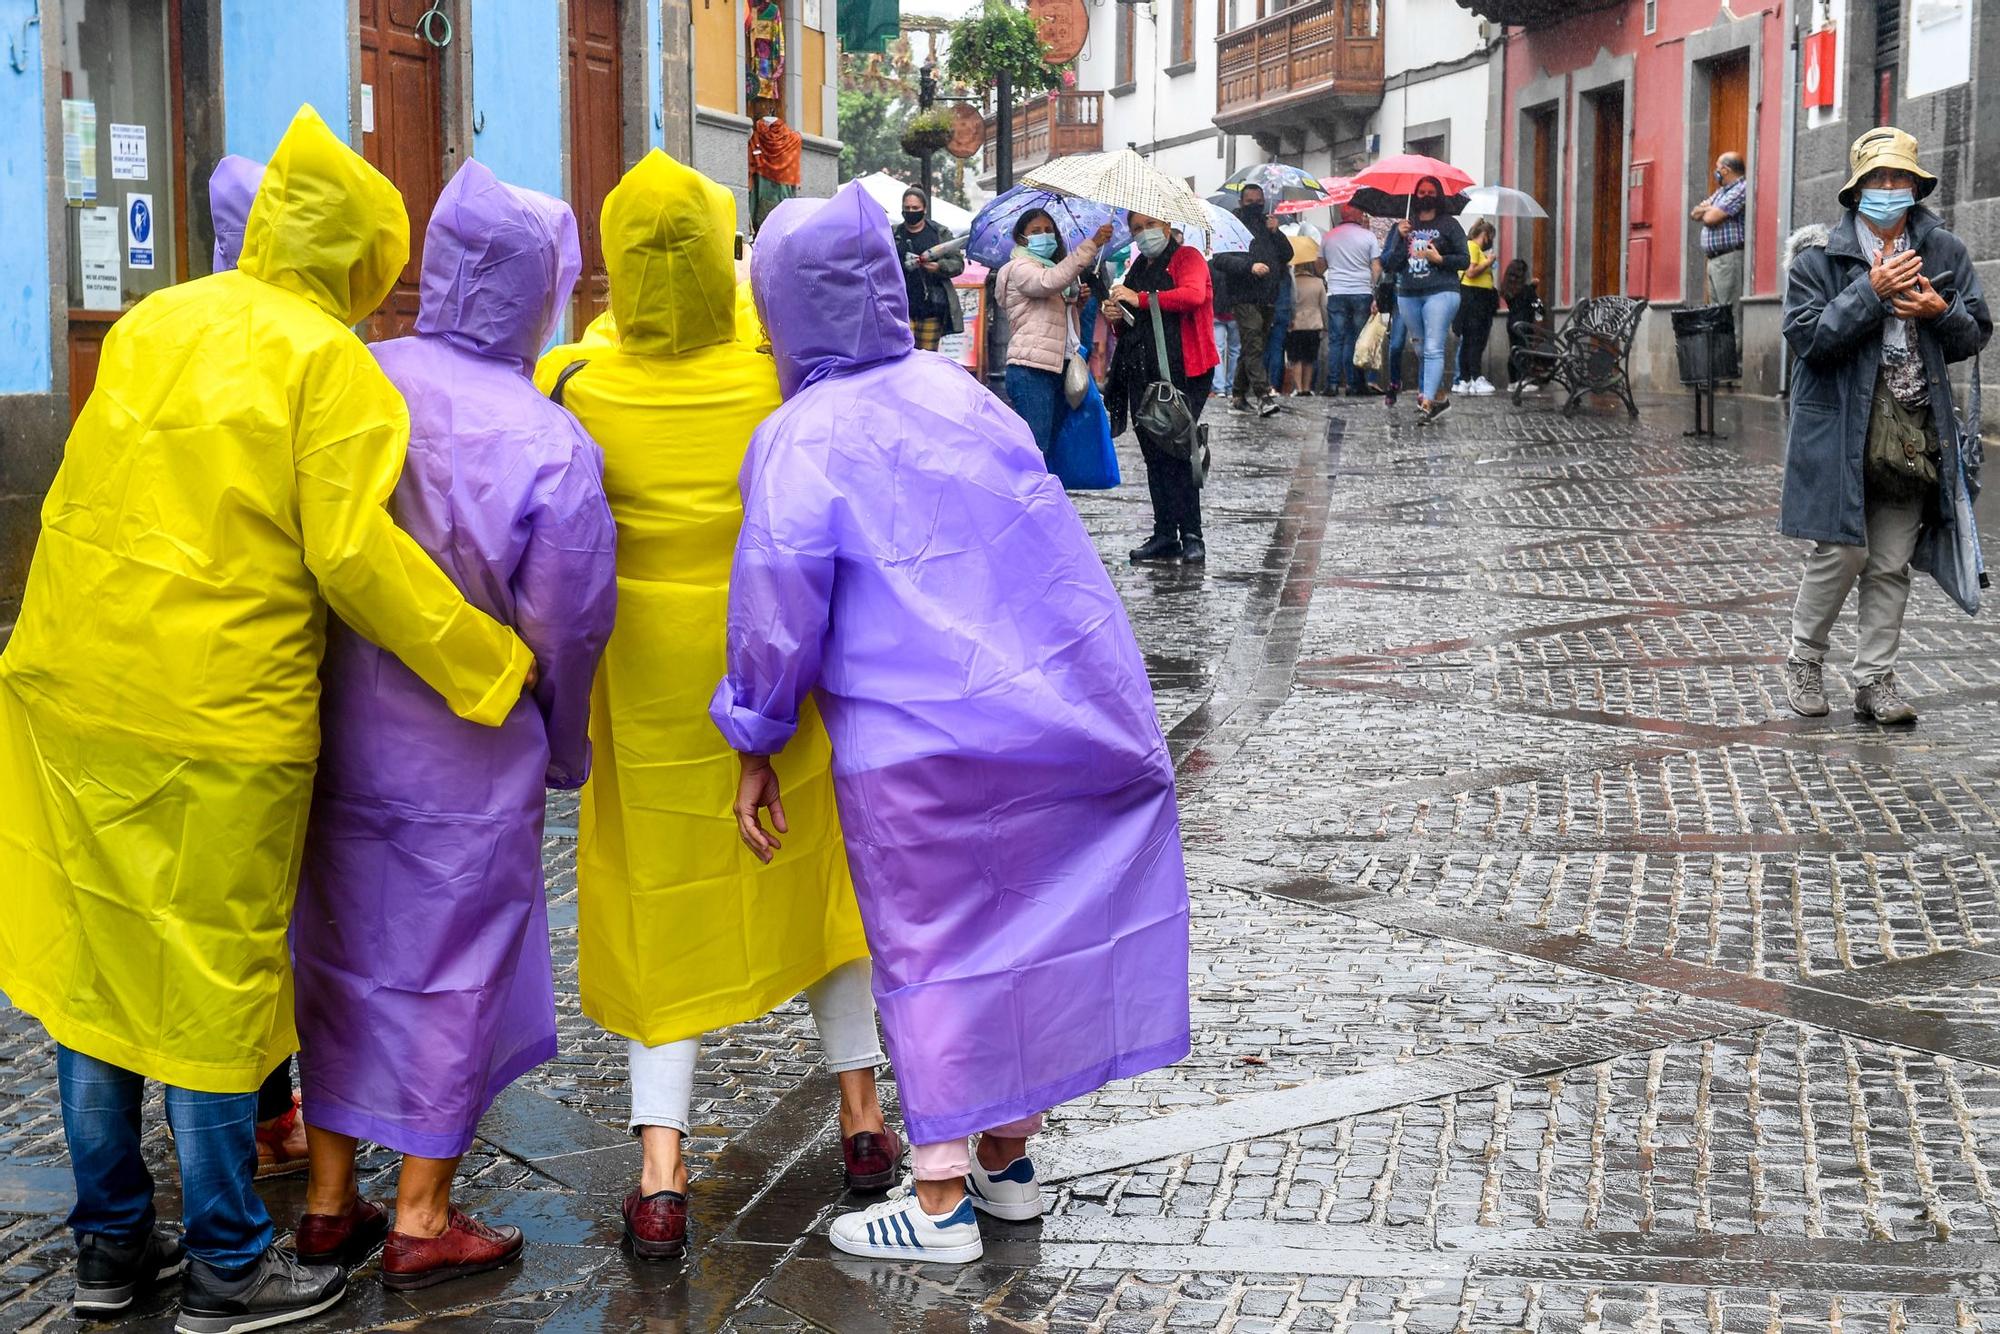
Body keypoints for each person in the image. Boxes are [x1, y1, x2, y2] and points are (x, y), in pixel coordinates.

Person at [0, 104, 536, 1333]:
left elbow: (83, 492)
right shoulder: (325, 362)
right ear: (361, 256)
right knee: (212, 988)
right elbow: (356, 558)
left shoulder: (154, 320)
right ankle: (231, 1263)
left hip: (77, 689)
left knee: (99, 987)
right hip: (219, 713)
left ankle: (110, 1248)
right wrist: (486, 663)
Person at [712, 181, 1191, 1266]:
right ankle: (1005, 1162)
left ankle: (933, 1202)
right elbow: (1049, 545)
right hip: (1046, 713)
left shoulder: (797, 436)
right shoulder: (960, 391)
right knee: (1027, 936)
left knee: (929, 952)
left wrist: (754, 738)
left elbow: (774, 613)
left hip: (911, 748)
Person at [531, 151, 890, 1265]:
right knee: (819, 883)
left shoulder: (577, 384)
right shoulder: (772, 376)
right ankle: (864, 1117)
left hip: (640, 687)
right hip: (775, 666)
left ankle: (658, 1171)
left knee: (659, 908)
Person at [289, 160, 617, 1290]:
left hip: (328, 730)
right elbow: (566, 624)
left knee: (330, 950)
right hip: (468, 754)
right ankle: (422, 1209)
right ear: (540, 291)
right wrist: (563, 743)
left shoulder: (355, 376)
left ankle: (330, 1198)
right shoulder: (549, 441)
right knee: (454, 968)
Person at [1779, 126, 1992, 725]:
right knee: (1842, 552)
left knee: (1891, 560)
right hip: (1843, 425)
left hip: (1914, 428)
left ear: (1916, 186)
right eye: (1878, 179)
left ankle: (1874, 680)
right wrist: (1870, 292)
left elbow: (1975, 331)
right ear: (1857, 190)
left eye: (1901, 178)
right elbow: (1808, 340)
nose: (1889, 189)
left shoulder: (1943, 250)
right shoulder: (1818, 257)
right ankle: (1804, 658)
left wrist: (1940, 312)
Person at [204, 152, 315, 1183]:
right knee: (252, 924)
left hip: (166, 670)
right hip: (260, 683)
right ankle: (267, 1122)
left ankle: (270, 1111)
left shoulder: (172, 329)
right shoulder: (312, 351)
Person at [1110, 209, 1221, 565]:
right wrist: (1117, 315)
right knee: (1154, 455)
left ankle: (1192, 534)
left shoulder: (1187, 257)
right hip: (1143, 370)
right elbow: (1135, 320)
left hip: (1183, 370)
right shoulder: (1139, 265)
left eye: (1150, 225)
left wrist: (1139, 299)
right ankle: (1164, 533)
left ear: (1168, 226)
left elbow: (1192, 296)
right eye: (1137, 228)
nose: (1144, 233)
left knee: (1178, 450)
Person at [996, 208, 1114, 454]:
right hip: (1032, 370)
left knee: (1050, 447)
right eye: (1036, 231)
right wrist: (1090, 245)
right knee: (1036, 450)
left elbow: (1051, 321)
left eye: (1049, 230)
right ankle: (1032, 493)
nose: (1045, 235)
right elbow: (1048, 282)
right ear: (1022, 238)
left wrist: (1075, 305)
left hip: (1056, 366)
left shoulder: (1048, 268)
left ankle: (1046, 493)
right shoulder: (1021, 267)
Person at [1380, 177, 1470, 423]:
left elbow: (1464, 259)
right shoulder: (1403, 226)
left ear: (1438, 196)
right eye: (1421, 191)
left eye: (1431, 191)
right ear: (1414, 195)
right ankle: (1440, 398)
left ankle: (1427, 402)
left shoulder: (1449, 225)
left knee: (1433, 347)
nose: (1425, 195)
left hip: (1441, 291)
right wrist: (1398, 237)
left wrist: (1440, 259)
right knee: (1420, 347)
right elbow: (1389, 264)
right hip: (1408, 294)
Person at [1215, 184, 1291, 416]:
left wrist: (1276, 233)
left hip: (1267, 296)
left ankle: (1238, 395)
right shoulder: (1230, 227)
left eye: (1259, 201)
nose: (1255, 205)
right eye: (1250, 201)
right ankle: (1263, 395)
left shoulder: (1268, 225)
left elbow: (1287, 255)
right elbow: (1220, 260)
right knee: (1253, 343)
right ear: (1241, 202)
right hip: (1243, 295)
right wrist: (1250, 267)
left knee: (1253, 346)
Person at [892, 186, 964, 351]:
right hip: (901, 306)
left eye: (915, 208)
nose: (911, 211)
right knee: (902, 353)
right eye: (907, 208)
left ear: (924, 209)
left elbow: (958, 264)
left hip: (932, 306)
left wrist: (939, 266)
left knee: (926, 356)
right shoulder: (894, 234)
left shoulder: (939, 233)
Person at [1321, 204, 1378, 396]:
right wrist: (1374, 289)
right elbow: (1376, 267)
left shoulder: (1328, 236)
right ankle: (1354, 384)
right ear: (1357, 214)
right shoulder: (1368, 236)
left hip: (1336, 292)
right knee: (1356, 339)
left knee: (1336, 339)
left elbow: (1319, 266)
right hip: (1362, 291)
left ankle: (1332, 383)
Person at [1693, 150, 1749, 346]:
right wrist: (1714, 207)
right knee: (1717, 312)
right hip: (1714, 260)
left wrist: (1712, 209)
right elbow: (1695, 213)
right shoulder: (1722, 192)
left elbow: (1709, 218)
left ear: (1725, 170)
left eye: (1717, 169)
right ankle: (1721, 361)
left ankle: (1734, 363)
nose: (1715, 173)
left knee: (1729, 311)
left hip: (1729, 259)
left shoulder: (1741, 188)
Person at [1453, 218, 1500, 395]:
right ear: (1485, 235)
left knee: (1471, 339)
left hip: (1477, 297)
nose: (1491, 241)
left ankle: (1465, 378)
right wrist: (1488, 262)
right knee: (1475, 338)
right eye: (1491, 236)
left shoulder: (1473, 248)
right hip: (1474, 298)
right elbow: (1471, 272)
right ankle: (1474, 376)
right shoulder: (1472, 247)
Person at [1500, 258, 1546, 394]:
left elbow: (1519, 297)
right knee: (1525, 351)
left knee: (1514, 351)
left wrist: (1531, 287)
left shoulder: (1507, 290)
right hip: (1524, 324)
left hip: (1511, 323)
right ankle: (1524, 380)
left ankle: (1512, 381)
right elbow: (1538, 307)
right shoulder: (1527, 291)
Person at [1285, 259, 1326, 396]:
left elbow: (1289, 302)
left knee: (1296, 358)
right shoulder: (1318, 282)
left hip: (1295, 324)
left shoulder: (1292, 282)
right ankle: (1308, 388)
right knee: (1309, 358)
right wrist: (1326, 324)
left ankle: (1299, 388)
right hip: (1313, 324)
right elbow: (1324, 306)